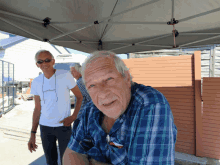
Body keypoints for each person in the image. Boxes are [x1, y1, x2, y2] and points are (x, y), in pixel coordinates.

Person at [63, 50, 177, 165]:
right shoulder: (90, 110)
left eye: (109, 79)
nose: (102, 93)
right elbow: (71, 154)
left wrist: (93, 161)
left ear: (126, 77)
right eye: (92, 85)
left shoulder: (150, 104)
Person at [28, 50, 83, 165]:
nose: (44, 63)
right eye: (40, 61)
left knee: (67, 161)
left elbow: (79, 97)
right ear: (37, 64)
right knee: (50, 161)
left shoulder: (65, 75)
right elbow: (37, 108)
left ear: (53, 61)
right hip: (45, 128)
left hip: (64, 127)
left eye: (47, 60)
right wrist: (32, 133)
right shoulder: (36, 82)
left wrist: (73, 116)